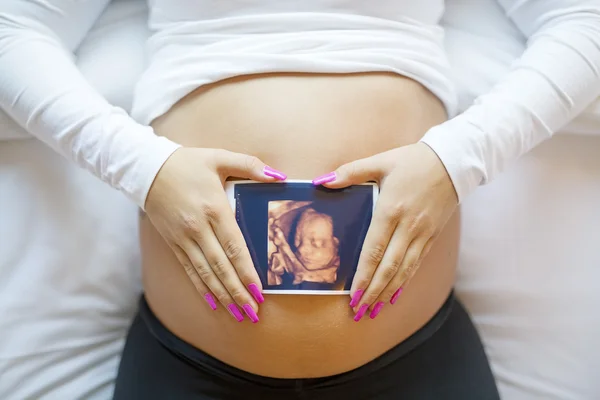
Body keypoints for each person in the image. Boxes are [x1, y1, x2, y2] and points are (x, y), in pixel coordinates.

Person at [1, 0, 598, 398]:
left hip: (417, 361)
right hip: (189, 369)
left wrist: (457, 159)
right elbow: (11, 29)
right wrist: (144, 168)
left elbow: (584, 21)